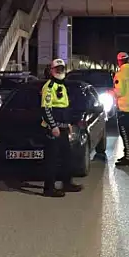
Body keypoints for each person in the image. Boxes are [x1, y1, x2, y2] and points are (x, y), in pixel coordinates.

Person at [41, 59, 83, 197]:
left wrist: (69, 124)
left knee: (67, 157)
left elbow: (65, 108)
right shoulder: (49, 86)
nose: (60, 71)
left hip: (64, 128)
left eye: (62, 69)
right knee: (52, 160)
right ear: (51, 71)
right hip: (53, 129)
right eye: (57, 69)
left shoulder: (62, 86)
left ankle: (66, 183)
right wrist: (53, 126)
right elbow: (46, 109)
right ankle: (49, 188)